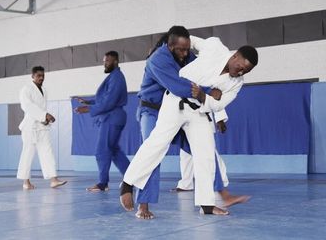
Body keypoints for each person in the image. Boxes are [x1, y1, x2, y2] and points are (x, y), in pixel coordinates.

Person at [120, 35, 258, 217]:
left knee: (206, 154)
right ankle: (128, 183)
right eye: (241, 67)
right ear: (235, 57)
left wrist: (203, 97)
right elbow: (187, 40)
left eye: (245, 71)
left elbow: (219, 104)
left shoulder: (237, 83)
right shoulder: (214, 46)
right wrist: (162, 48)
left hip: (199, 110)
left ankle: (207, 205)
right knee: (158, 143)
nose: (241, 73)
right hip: (175, 101)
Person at [74, 51, 130, 192]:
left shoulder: (116, 77)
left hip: (112, 117)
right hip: (114, 116)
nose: (104, 64)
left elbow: (109, 102)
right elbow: (105, 98)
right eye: (104, 61)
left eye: (107, 61)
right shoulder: (114, 77)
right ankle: (132, 178)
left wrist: (88, 108)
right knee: (114, 151)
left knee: (102, 151)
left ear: (115, 62)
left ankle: (102, 183)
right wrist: (88, 101)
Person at [16, 66, 67, 190]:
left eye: (43, 75)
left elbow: (41, 108)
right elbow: (27, 106)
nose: (41, 78)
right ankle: (26, 182)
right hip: (30, 128)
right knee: (27, 154)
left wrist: (45, 119)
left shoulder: (44, 90)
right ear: (32, 76)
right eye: (38, 75)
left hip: (42, 126)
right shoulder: (26, 89)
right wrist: (44, 115)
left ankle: (53, 179)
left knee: (47, 152)